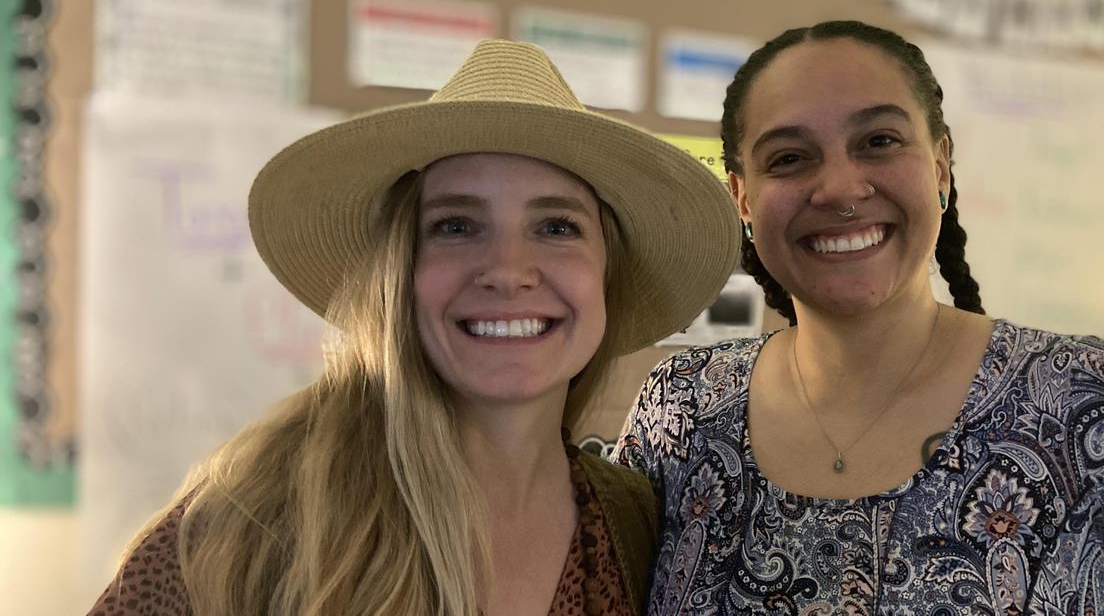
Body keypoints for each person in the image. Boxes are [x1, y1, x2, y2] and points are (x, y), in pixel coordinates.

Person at [613, 21, 1104, 614]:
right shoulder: (681, 415)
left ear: (941, 167)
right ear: (743, 198)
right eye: (789, 157)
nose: (839, 187)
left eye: (879, 141)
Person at [88, 39, 740, 615]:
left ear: (607, 275)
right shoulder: (256, 515)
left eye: (557, 227)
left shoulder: (639, 526)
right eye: (456, 226)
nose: (508, 271)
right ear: (401, 271)